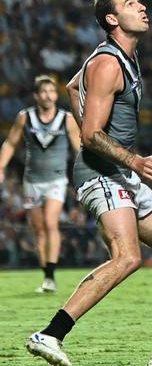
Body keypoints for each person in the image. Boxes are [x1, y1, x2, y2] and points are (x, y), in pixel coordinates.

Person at [26, 0, 152, 366]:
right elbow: (91, 134)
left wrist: (128, 163)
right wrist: (136, 161)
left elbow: (73, 89)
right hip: (101, 171)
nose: (142, 6)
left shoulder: (124, 56)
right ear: (112, 20)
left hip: (118, 171)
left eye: (141, 1)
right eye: (130, 4)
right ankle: (50, 333)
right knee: (127, 258)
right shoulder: (108, 64)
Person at [0, 74, 80, 293]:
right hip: (32, 180)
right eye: (44, 91)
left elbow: (78, 148)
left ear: (56, 95)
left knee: (50, 222)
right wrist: (1, 166)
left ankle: (52, 275)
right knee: (38, 229)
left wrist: (87, 170)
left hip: (56, 178)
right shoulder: (25, 117)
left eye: (52, 91)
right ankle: (46, 275)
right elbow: (10, 143)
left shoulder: (67, 119)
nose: (48, 95)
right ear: (36, 95)